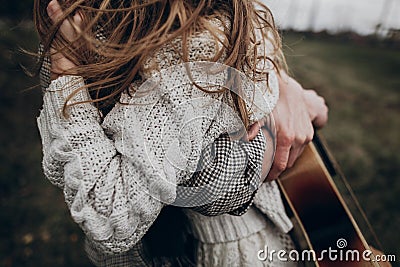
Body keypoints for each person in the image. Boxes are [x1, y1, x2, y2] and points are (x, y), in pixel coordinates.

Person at [35, 0, 328, 266]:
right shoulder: (122, 29)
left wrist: (65, 80)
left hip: (220, 251)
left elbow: (109, 215)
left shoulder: (186, 58)